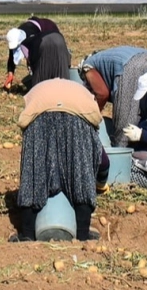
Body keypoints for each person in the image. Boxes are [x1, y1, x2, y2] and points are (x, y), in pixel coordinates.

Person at [13, 77, 105, 242]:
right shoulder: (85, 99)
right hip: (77, 118)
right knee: (81, 176)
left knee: (34, 174)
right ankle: (83, 235)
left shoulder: (42, 88)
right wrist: (99, 181)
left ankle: (27, 234)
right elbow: (103, 160)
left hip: (38, 115)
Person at [78, 45, 147, 144]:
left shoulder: (87, 67)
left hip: (130, 66)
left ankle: (121, 155)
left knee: (124, 126)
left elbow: (102, 93)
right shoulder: (105, 58)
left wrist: (93, 116)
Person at [4, 17, 70, 90]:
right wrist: (10, 74)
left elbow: (36, 58)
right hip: (44, 40)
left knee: (50, 59)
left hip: (49, 32)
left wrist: (35, 74)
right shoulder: (15, 35)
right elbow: (12, 56)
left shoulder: (31, 36)